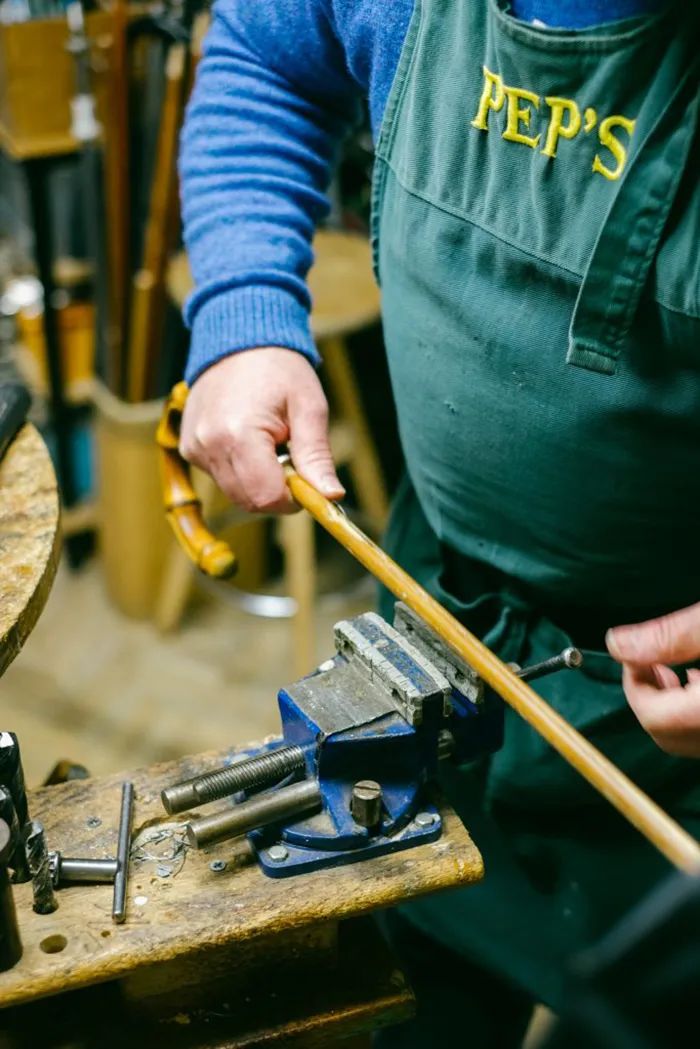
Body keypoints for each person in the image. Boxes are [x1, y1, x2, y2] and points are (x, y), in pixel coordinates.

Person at [178, 1, 700, 1043]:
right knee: (415, 980)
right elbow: (262, 57)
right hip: (434, 607)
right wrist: (243, 313)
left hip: (670, 717)